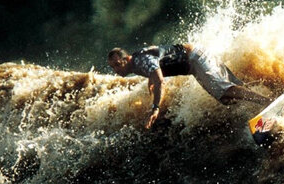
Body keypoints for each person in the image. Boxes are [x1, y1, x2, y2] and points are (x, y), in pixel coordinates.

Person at [108, 43, 270, 129]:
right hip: (195, 60)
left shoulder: (140, 60)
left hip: (195, 58)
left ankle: (267, 102)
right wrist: (151, 82)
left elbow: (159, 80)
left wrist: (155, 108)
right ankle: (263, 107)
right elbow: (154, 72)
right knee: (227, 99)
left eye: (117, 64)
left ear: (127, 58)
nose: (116, 69)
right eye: (113, 67)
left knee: (224, 91)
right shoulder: (138, 62)